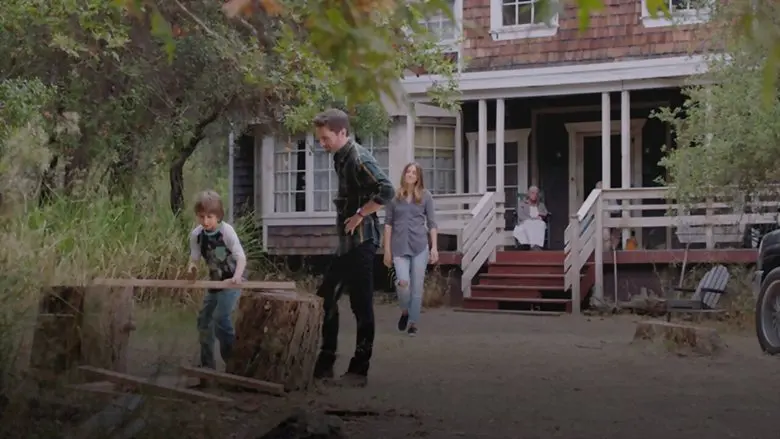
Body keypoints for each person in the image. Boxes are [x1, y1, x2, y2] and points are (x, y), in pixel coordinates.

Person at [312, 108, 395, 387]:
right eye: (320, 139)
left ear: (342, 133)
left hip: (363, 242)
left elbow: (387, 190)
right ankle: (325, 362)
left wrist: (361, 213)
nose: (322, 143)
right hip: (346, 243)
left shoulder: (359, 157)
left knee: (361, 305)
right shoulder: (340, 156)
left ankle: (359, 371)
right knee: (326, 297)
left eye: (325, 138)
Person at [186, 190, 247, 373]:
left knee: (221, 317)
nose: (205, 221)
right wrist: (191, 271)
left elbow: (241, 257)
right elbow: (194, 258)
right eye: (201, 216)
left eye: (209, 217)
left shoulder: (227, 231)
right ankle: (207, 367)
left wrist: (237, 276)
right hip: (214, 281)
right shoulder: (197, 235)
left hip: (232, 280)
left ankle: (232, 364)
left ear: (218, 216)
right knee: (204, 321)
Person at [383, 162, 439, 337]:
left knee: (417, 288)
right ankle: (405, 311)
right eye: (408, 171)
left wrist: (434, 248)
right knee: (403, 282)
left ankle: (413, 323)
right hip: (399, 247)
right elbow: (388, 225)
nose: (410, 174)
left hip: (419, 246)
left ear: (418, 177)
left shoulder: (426, 196)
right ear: (404, 174)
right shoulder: (395, 197)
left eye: (414, 173)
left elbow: (432, 223)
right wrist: (387, 250)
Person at [512, 186, 548, 250]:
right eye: (532, 193)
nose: (535, 195)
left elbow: (545, 213)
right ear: (528, 194)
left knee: (541, 224)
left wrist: (540, 215)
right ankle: (534, 245)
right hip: (525, 222)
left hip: (538, 222)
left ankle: (536, 245)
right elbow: (521, 216)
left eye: (536, 193)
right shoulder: (522, 204)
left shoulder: (541, 205)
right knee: (529, 223)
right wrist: (533, 219)